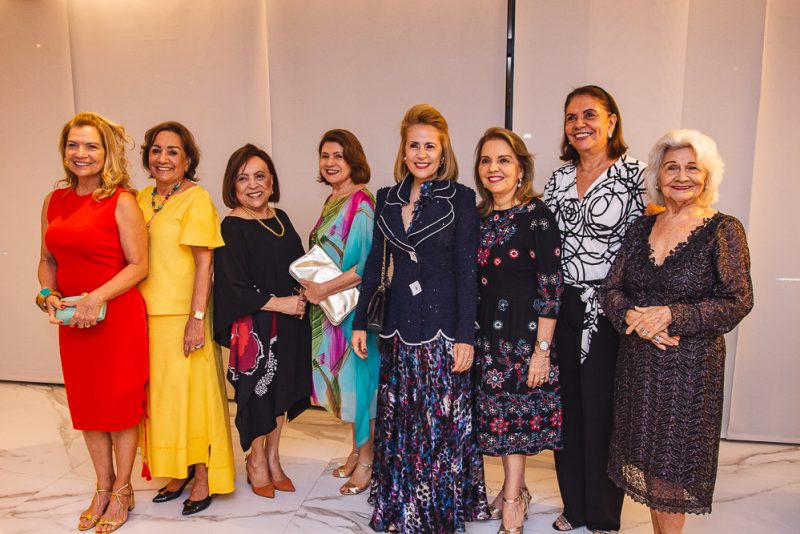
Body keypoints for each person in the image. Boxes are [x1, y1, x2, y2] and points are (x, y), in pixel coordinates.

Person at [601, 129, 753, 534]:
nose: (681, 176)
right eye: (672, 167)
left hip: (689, 371)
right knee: (648, 463)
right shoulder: (640, 229)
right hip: (638, 366)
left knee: (672, 465)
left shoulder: (724, 230)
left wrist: (671, 315)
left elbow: (738, 300)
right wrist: (636, 318)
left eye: (692, 167)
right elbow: (611, 289)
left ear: (707, 175)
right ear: (658, 175)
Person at [352, 104, 489, 533]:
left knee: (439, 423)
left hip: (445, 329)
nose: (422, 153)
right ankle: (401, 505)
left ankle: (435, 511)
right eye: (415, 145)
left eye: (431, 145)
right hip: (398, 325)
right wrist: (360, 321)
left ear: (443, 150)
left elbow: (468, 270)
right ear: (404, 149)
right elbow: (376, 263)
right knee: (402, 420)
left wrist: (466, 335)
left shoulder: (461, 198)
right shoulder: (387, 197)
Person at [38, 112, 148, 533]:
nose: (81, 153)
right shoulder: (54, 201)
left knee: (119, 407)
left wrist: (96, 297)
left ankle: (122, 488)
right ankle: (101, 486)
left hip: (116, 317)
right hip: (73, 321)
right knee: (87, 407)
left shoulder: (121, 201)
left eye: (91, 146)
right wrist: (48, 296)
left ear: (106, 153)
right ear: (64, 151)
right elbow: (47, 260)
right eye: (74, 145)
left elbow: (139, 265)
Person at [543, 85, 645, 533]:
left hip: (611, 309)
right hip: (563, 307)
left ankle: (603, 515)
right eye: (571, 117)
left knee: (603, 411)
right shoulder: (558, 178)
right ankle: (575, 506)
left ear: (611, 121)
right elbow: (545, 246)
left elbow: (648, 244)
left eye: (589, 114)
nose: (579, 124)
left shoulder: (636, 175)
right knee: (565, 409)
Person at [137, 121, 235, 515]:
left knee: (195, 400)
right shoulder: (141, 198)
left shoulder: (195, 199)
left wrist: (197, 318)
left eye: (173, 151)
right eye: (156, 150)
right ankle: (175, 469)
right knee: (163, 402)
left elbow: (204, 263)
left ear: (188, 158)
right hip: (145, 316)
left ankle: (202, 474)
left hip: (183, 315)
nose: (163, 158)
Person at [473, 127, 564, 534]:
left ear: (521, 169)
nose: (494, 168)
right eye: (487, 160)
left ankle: (512, 500)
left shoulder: (537, 217)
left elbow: (551, 287)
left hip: (523, 337)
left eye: (504, 160)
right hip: (484, 336)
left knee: (514, 426)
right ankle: (514, 489)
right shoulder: (477, 218)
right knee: (496, 421)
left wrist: (541, 351)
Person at [213, 144, 312, 499]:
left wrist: (304, 295)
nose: (253, 185)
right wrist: (282, 304)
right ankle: (256, 461)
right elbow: (233, 286)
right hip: (252, 333)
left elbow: (298, 264)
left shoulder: (280, 218)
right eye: (243, 178)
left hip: (288, 324)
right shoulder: (231, 226)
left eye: (259, 176)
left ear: (271, 181)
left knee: (281, 393)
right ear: (232, 185)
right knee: (257, 396)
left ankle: (274, 458)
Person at [301, 129, 380, 495]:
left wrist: (321, 289)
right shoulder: (334, 198)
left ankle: (367, 462)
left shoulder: (361, 202)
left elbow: (365, 266)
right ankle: (355, 451)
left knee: (360, 388)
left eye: (338, 156)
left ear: (353, 160)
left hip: (354, 316)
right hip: (330, 312)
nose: (330, 163)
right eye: (325, 156)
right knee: (347, 388)